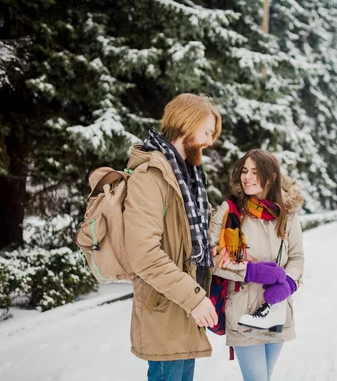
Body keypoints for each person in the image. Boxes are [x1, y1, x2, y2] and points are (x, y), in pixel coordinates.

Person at [123, 93, 221, 381]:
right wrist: (194, 299)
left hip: (187, 305)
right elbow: (145, 255)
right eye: (206, 132)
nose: (210, 141)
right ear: (186, 125)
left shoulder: (189, 175)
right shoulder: (151, 176)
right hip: (167, 308)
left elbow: (191, 238)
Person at [209, 149, 305, 381]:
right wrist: (251, 271)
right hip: (243, 311)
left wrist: (289, 284)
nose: (247, 177)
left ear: (271, 176)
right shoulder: (230, 211)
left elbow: (297, 258)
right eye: (244, 171)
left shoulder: (287, 215)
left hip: (278, 310)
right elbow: (211, 258)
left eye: (255, 171)